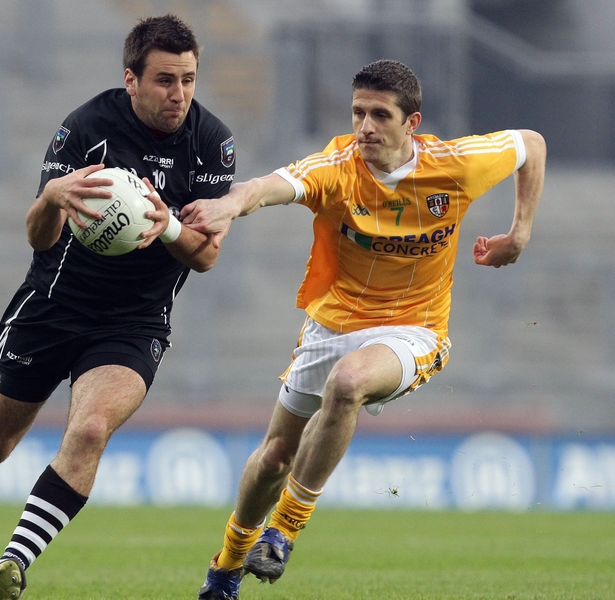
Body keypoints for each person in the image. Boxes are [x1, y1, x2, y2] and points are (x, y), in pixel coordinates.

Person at [183, 59, 546, 599]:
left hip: (414, 328)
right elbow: (271, 185)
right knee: (275, 456)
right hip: (331, 324)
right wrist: (229, 204)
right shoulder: (336, 168)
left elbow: (532, 143)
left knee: (349, 384)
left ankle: (284, 531)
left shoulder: (457, 166)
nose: (365, 127)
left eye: (380, 115)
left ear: (412, 122)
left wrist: (519, 233)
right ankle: (226, 567)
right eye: (358, 112)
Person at [0, 14, 236, 600]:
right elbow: (38, 237)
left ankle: (11, 567)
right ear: (131, 79)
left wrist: (168, 221)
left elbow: (205, 257)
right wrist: (51, 196)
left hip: (135, 320)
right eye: (164, 81)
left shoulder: (211, 142)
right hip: (52, 306)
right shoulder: (85, 128)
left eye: (188, 79)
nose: (179, 94)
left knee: (91, 427)